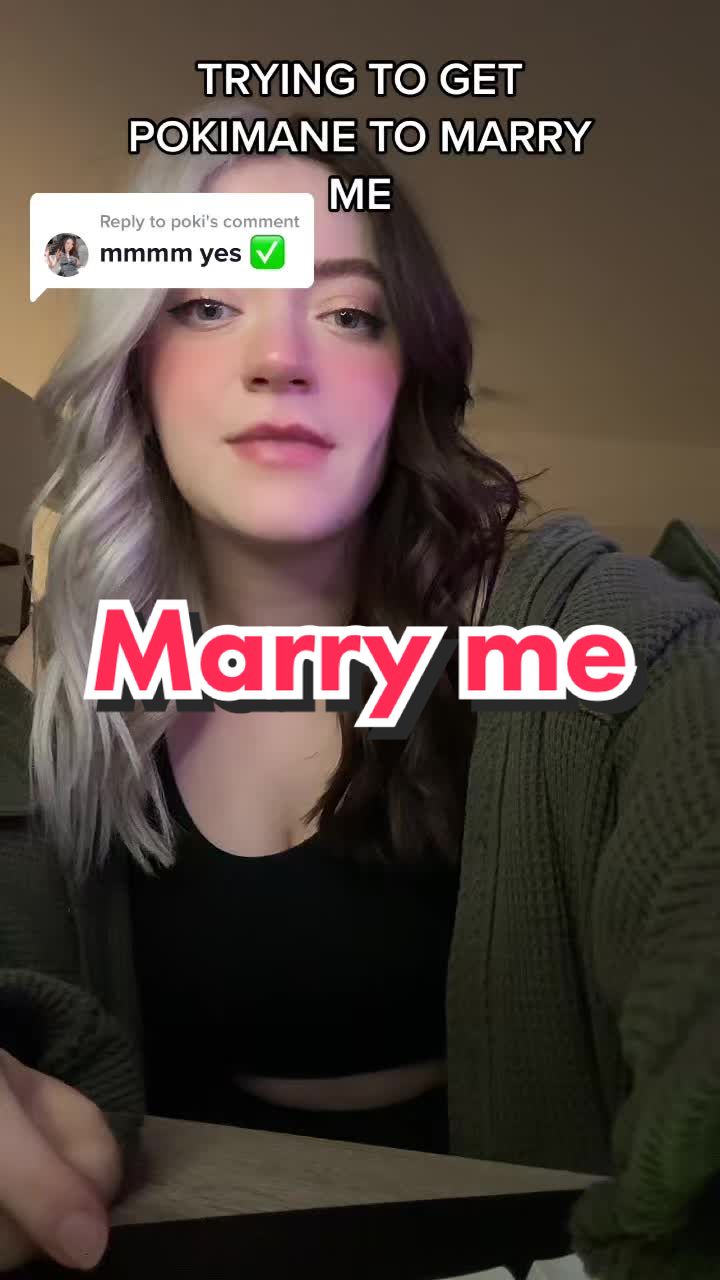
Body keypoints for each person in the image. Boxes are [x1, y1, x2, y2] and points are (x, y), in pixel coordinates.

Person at [1, 103, 719, 1276]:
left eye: (347, 313)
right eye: (207, 302)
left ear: (406, 374)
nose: (280, 358)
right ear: (134, 364)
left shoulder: (577, 628)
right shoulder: (58, 696)